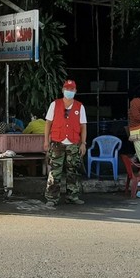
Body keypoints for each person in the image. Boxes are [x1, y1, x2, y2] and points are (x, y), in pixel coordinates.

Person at [43, 79, 87, 207]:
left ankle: (72, 196)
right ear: (63, 90)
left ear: (75, 91)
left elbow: (83, 126)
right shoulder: (54, 104)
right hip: (57, 142)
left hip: (74, 143)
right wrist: (46, 141)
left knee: (73, 170)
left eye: (72, 89)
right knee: (54, 171)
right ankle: (52, 198)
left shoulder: (80, 106)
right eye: (67, 89)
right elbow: (48, 123)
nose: (69, 91)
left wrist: (83, 143)